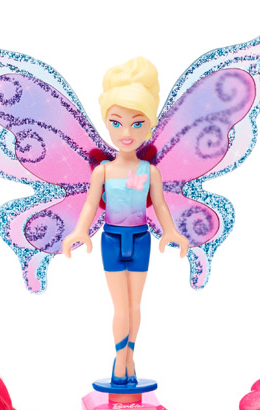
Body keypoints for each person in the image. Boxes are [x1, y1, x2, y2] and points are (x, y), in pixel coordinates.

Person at [61, 57, 190, 386]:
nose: (127, 133)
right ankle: (123, 363)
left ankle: (128, 361)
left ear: (149, 125)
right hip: (111, 240)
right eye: (117, 123)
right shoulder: (103, 171)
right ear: (106, 123)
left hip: (142, 240)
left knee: (135, 306)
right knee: (121, 307)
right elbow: (91, 204)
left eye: (137, 123)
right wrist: (80, 231)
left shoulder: (151, 172)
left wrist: (171, 231)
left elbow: (160, 205)